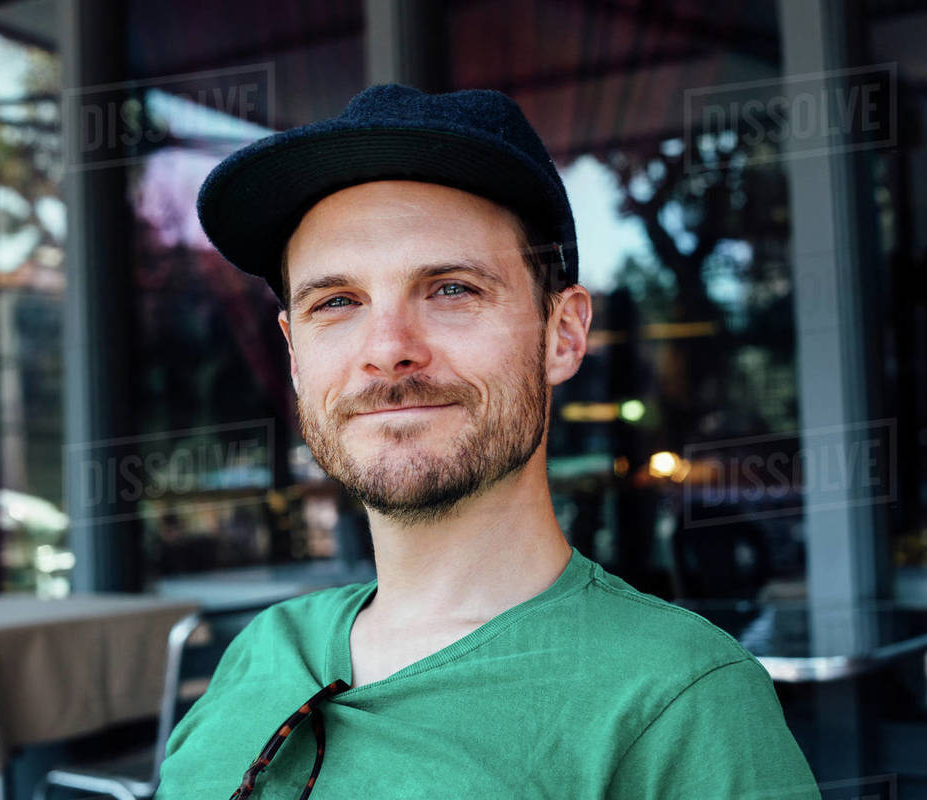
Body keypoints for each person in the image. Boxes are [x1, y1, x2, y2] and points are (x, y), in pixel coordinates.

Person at [155, 84, 820, 799]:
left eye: (451, 290)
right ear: (293, 355)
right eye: (337, 302)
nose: (387, 350)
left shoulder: (677, 702)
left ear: (562, 334)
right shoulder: (261, 651)